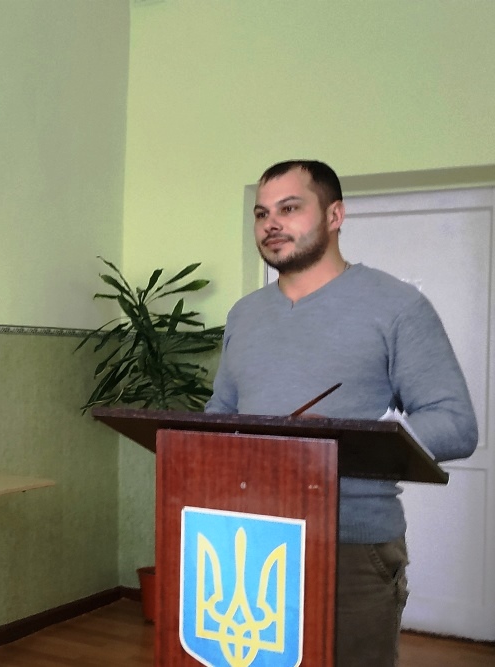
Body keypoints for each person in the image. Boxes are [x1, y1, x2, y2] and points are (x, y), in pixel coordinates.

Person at [205, 160, 478, 666]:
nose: (271, 223)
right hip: (250, 538)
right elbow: (221, 411)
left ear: (335, 216)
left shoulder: (397, 305)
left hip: (350, 545)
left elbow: (456, 424)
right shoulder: (244, 314)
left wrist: (341, 439)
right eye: (262, 213)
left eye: (290, 208)